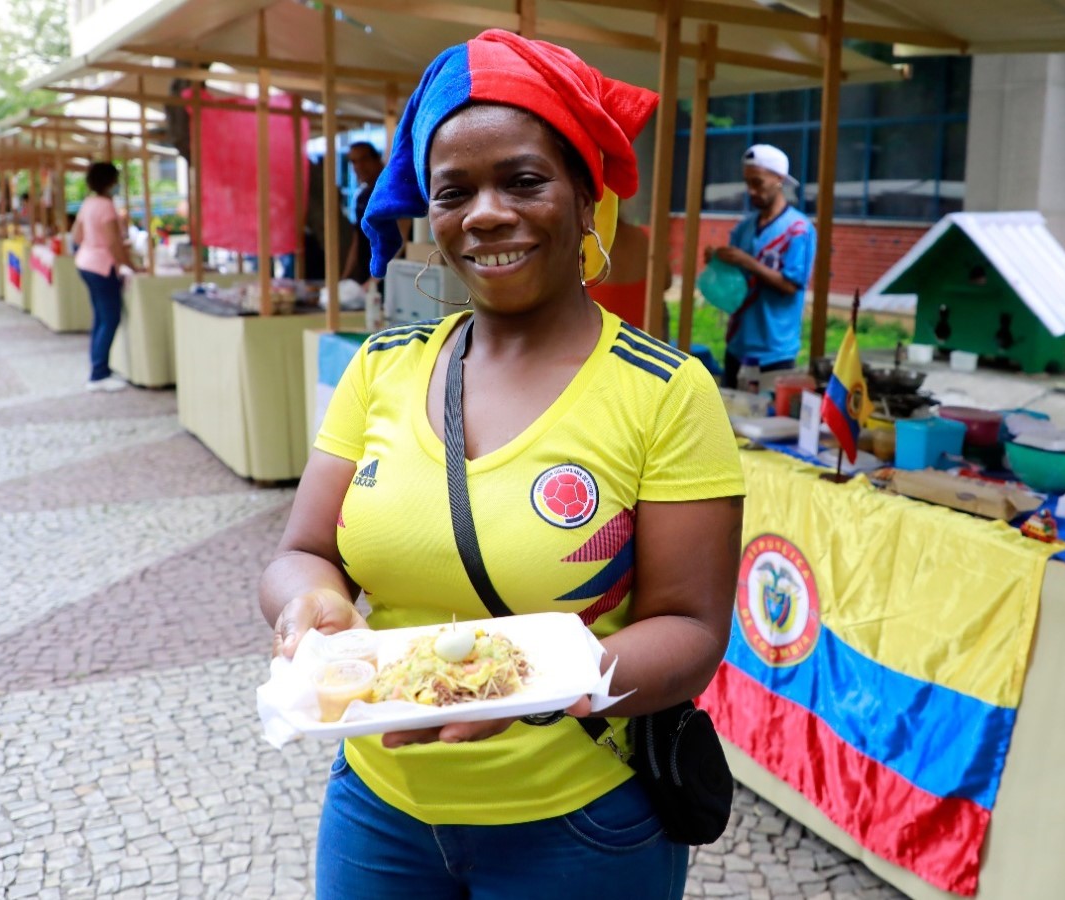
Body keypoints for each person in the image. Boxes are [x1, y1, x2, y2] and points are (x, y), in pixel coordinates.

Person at [261, 30, 744, 900]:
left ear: (586, 196)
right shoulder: (384, 366)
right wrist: (313, 603)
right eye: (455, 192)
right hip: (379, 813)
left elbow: (692, 629)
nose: (484, 212)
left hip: (581, 826)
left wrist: (543, 687)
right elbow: (303, 549)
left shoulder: (668, 392)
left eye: (523, 180)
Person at [705, 144, 816, 388]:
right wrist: (717, 263)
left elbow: (790, 285)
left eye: (757, 182)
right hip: (738, 345)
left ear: (778, 179)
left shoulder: (798, 229)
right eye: (747, 183)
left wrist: (747, 262)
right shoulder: (744, 227)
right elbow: (734, 283)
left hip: (774, 350)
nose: (751, 191)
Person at [70, 163, 139, 392]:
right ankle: (99, 372)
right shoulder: (106, 206)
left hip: (85, 263)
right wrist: (129, 265)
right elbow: (112, 242)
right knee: (110, 317)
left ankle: (99, 368)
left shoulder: (88, 203)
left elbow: (77, 235)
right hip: (102, 266)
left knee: (100, 317)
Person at [586, 212, 671, 338]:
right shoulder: (646, 239)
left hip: (598, 348)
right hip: (646, 346)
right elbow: (666, 281)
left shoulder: (581, 243)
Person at [341, 141, 384, 285]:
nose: (358, 167)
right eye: (354, 162)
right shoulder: (362, 196)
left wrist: (373, 282)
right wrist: (344, 278)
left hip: (388, 281)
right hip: (366, 279)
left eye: (364, 159)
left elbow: (399, 240)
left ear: (377, 159)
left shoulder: (390, 192)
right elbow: (358, 238)